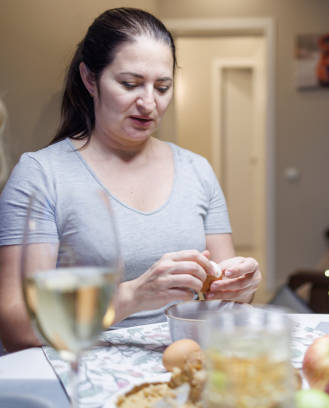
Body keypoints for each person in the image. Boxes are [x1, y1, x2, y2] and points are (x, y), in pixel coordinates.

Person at [0, 8, 261, 353]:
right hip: (76, 374)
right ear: (90, 79)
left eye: (163, 87)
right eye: (130, 84)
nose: (149, 103)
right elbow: (17, 326)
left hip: (178, 365)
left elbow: (224, 304)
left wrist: (240, 289)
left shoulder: (197, 171)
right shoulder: (41, 175)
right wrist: (133, 295)